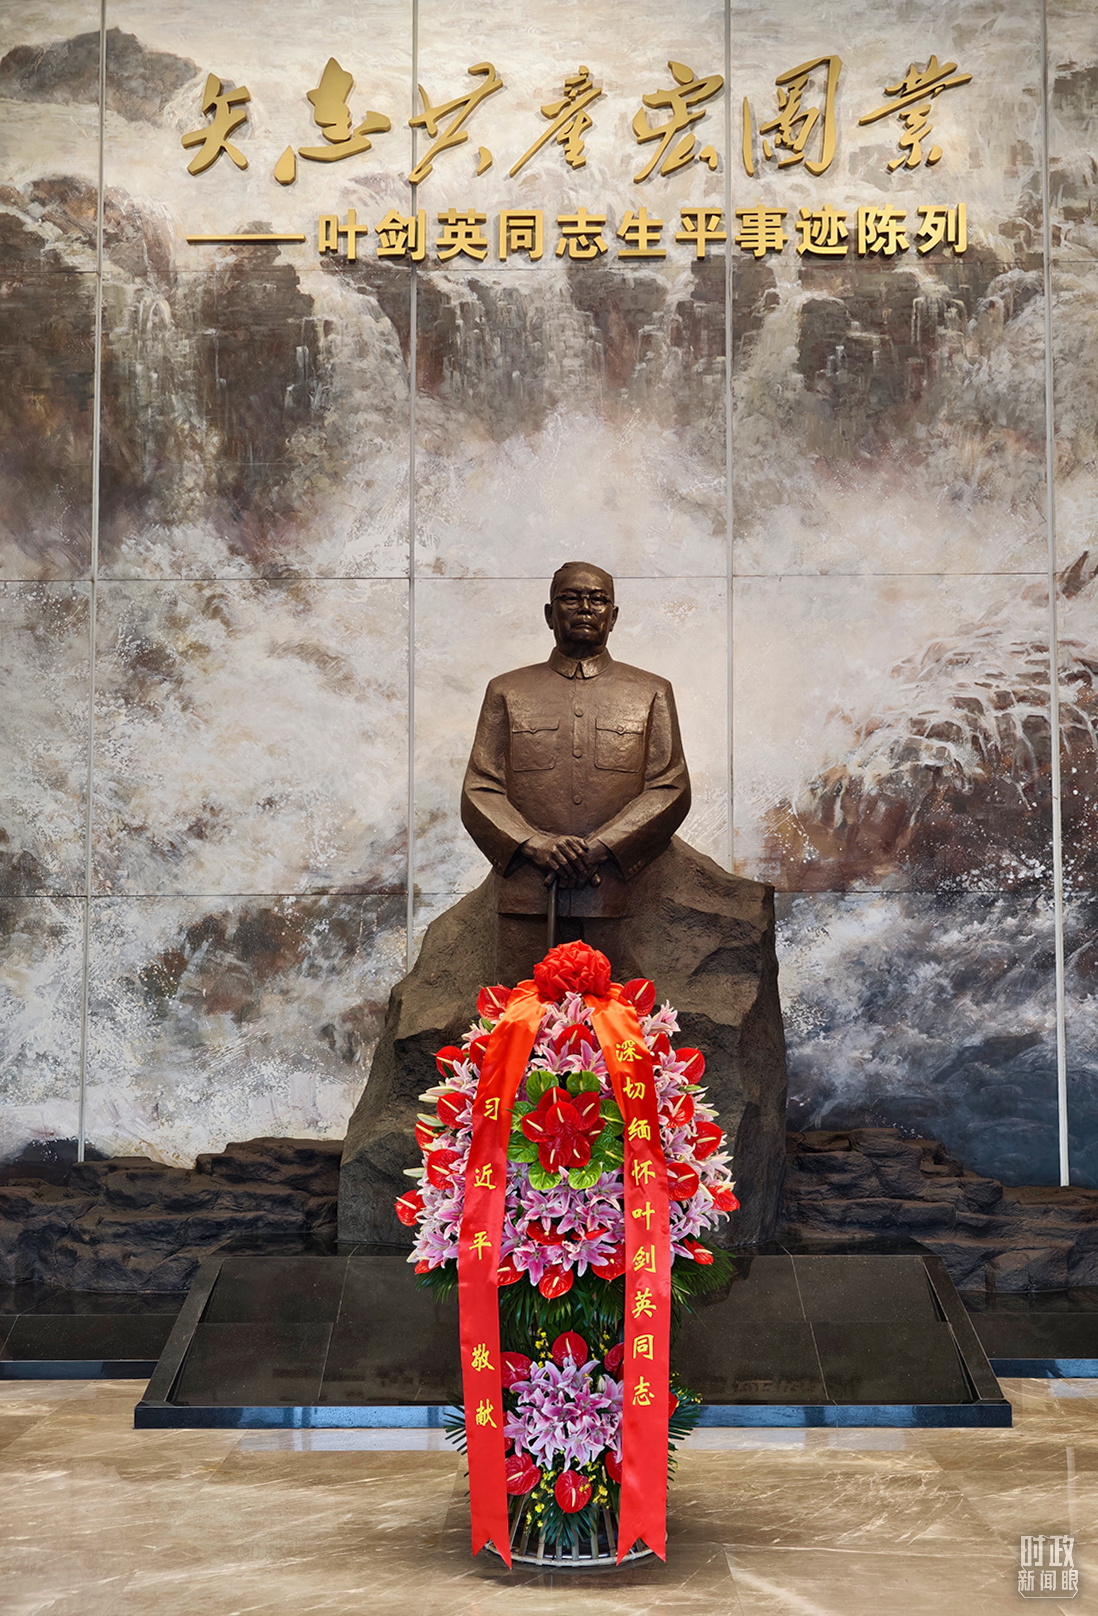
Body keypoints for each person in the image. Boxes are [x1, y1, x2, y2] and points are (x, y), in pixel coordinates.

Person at [460, 561, 691, 981]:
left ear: (613, 616)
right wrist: (535, 845)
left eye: (598, 599)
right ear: (549, 614)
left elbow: (670, 787)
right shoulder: (507, 691)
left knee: (617, 1014)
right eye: (571, 598)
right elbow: (480, 790)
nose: (585, 607)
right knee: (518, 1014)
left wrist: (601, 847)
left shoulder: (650, 693)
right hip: (527, 896)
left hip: (617, 895)